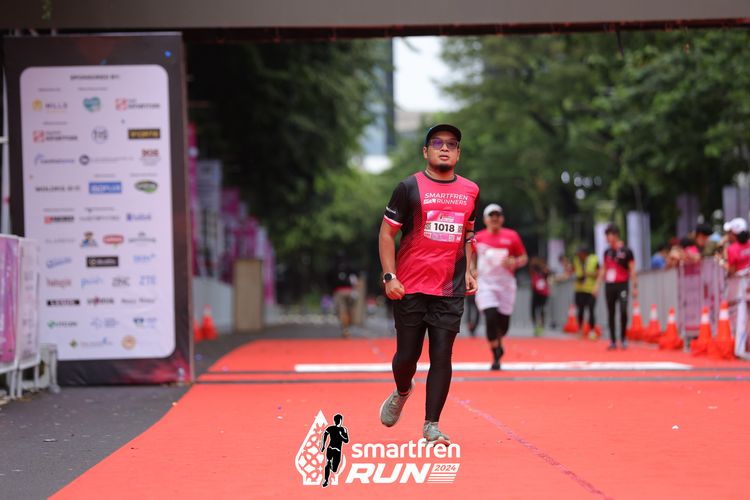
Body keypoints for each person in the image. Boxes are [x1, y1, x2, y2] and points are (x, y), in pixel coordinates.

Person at [378, 123, 479, 445]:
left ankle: (431, 426)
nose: (444, 148)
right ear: (426, 151)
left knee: (442, 355)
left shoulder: (471, 191)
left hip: (449, 288)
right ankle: (402, 390)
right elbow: (386, 233)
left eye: (452, 144)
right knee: (406, 357)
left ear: (458, 153)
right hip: (409, 286)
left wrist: (470, 270)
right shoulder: (408, 187)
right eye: (437, 143)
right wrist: (390, 276)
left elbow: (467, 234)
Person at [475, 203, 528, 369]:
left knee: (503, 325)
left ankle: (498, 340)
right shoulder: (478, 238)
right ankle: (495, 354)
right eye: (491, 215)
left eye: (497, 215)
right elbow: (470, 257)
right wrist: (471, 270)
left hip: (506, 285)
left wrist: (514, 262)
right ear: (485, 219)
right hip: (485, 284)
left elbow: (523, 258)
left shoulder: (512, 236)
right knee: (490, 316)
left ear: (502, 218)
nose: (495, 218)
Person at [593, 224, 637, 350]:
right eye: (606, 235)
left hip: (622, 284)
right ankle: (612, 340)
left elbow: (632, 269)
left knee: (623, 310)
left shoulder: (627, 251)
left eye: (609, 235)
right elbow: (603, 269)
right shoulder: (607, 252)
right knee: (611, 312)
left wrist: (634, 286)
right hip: (610, 285)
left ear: (616, 235)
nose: (607, 238)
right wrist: (597, 285)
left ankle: (623, 338)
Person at [328, 257, 359, 338]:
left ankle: (345, 329)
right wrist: (355, 291)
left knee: (342, 311)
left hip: (339, 292)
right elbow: (355, 280)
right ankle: (348, 327)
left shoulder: (333, 268)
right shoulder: (351, 268)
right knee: (349, 310)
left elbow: (329, 281)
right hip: (350, 292)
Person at [572, 245, 599, 336]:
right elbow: (572, 270)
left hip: (590, 290)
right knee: (580, 310)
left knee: (591, 310)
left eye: (580, 253)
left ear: (585, 253)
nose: (579, 255)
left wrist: (589, 274)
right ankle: (580, 329)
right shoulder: (576, 260)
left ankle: (592, 330)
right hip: (579, 289)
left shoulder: (593, 260)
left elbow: (599, 273)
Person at [320, 413, 349, 488]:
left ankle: (330, 467)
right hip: (332, 449)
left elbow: (346, 440)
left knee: (334, 469)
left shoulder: (343, 429)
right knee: (328, 463)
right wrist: (323, 445)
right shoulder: (331, 428)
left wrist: (341, 435)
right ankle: (326, 480)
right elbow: (325, 435)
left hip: (335, 450)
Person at [528, 257, 550, 336]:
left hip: (543, 293)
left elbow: (548, 273)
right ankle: (536, 326)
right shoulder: (533, 271)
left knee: (541, 309)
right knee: (534, 309)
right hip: (536, 292)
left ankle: (541, 326)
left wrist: (545, 270)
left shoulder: (544, 271)